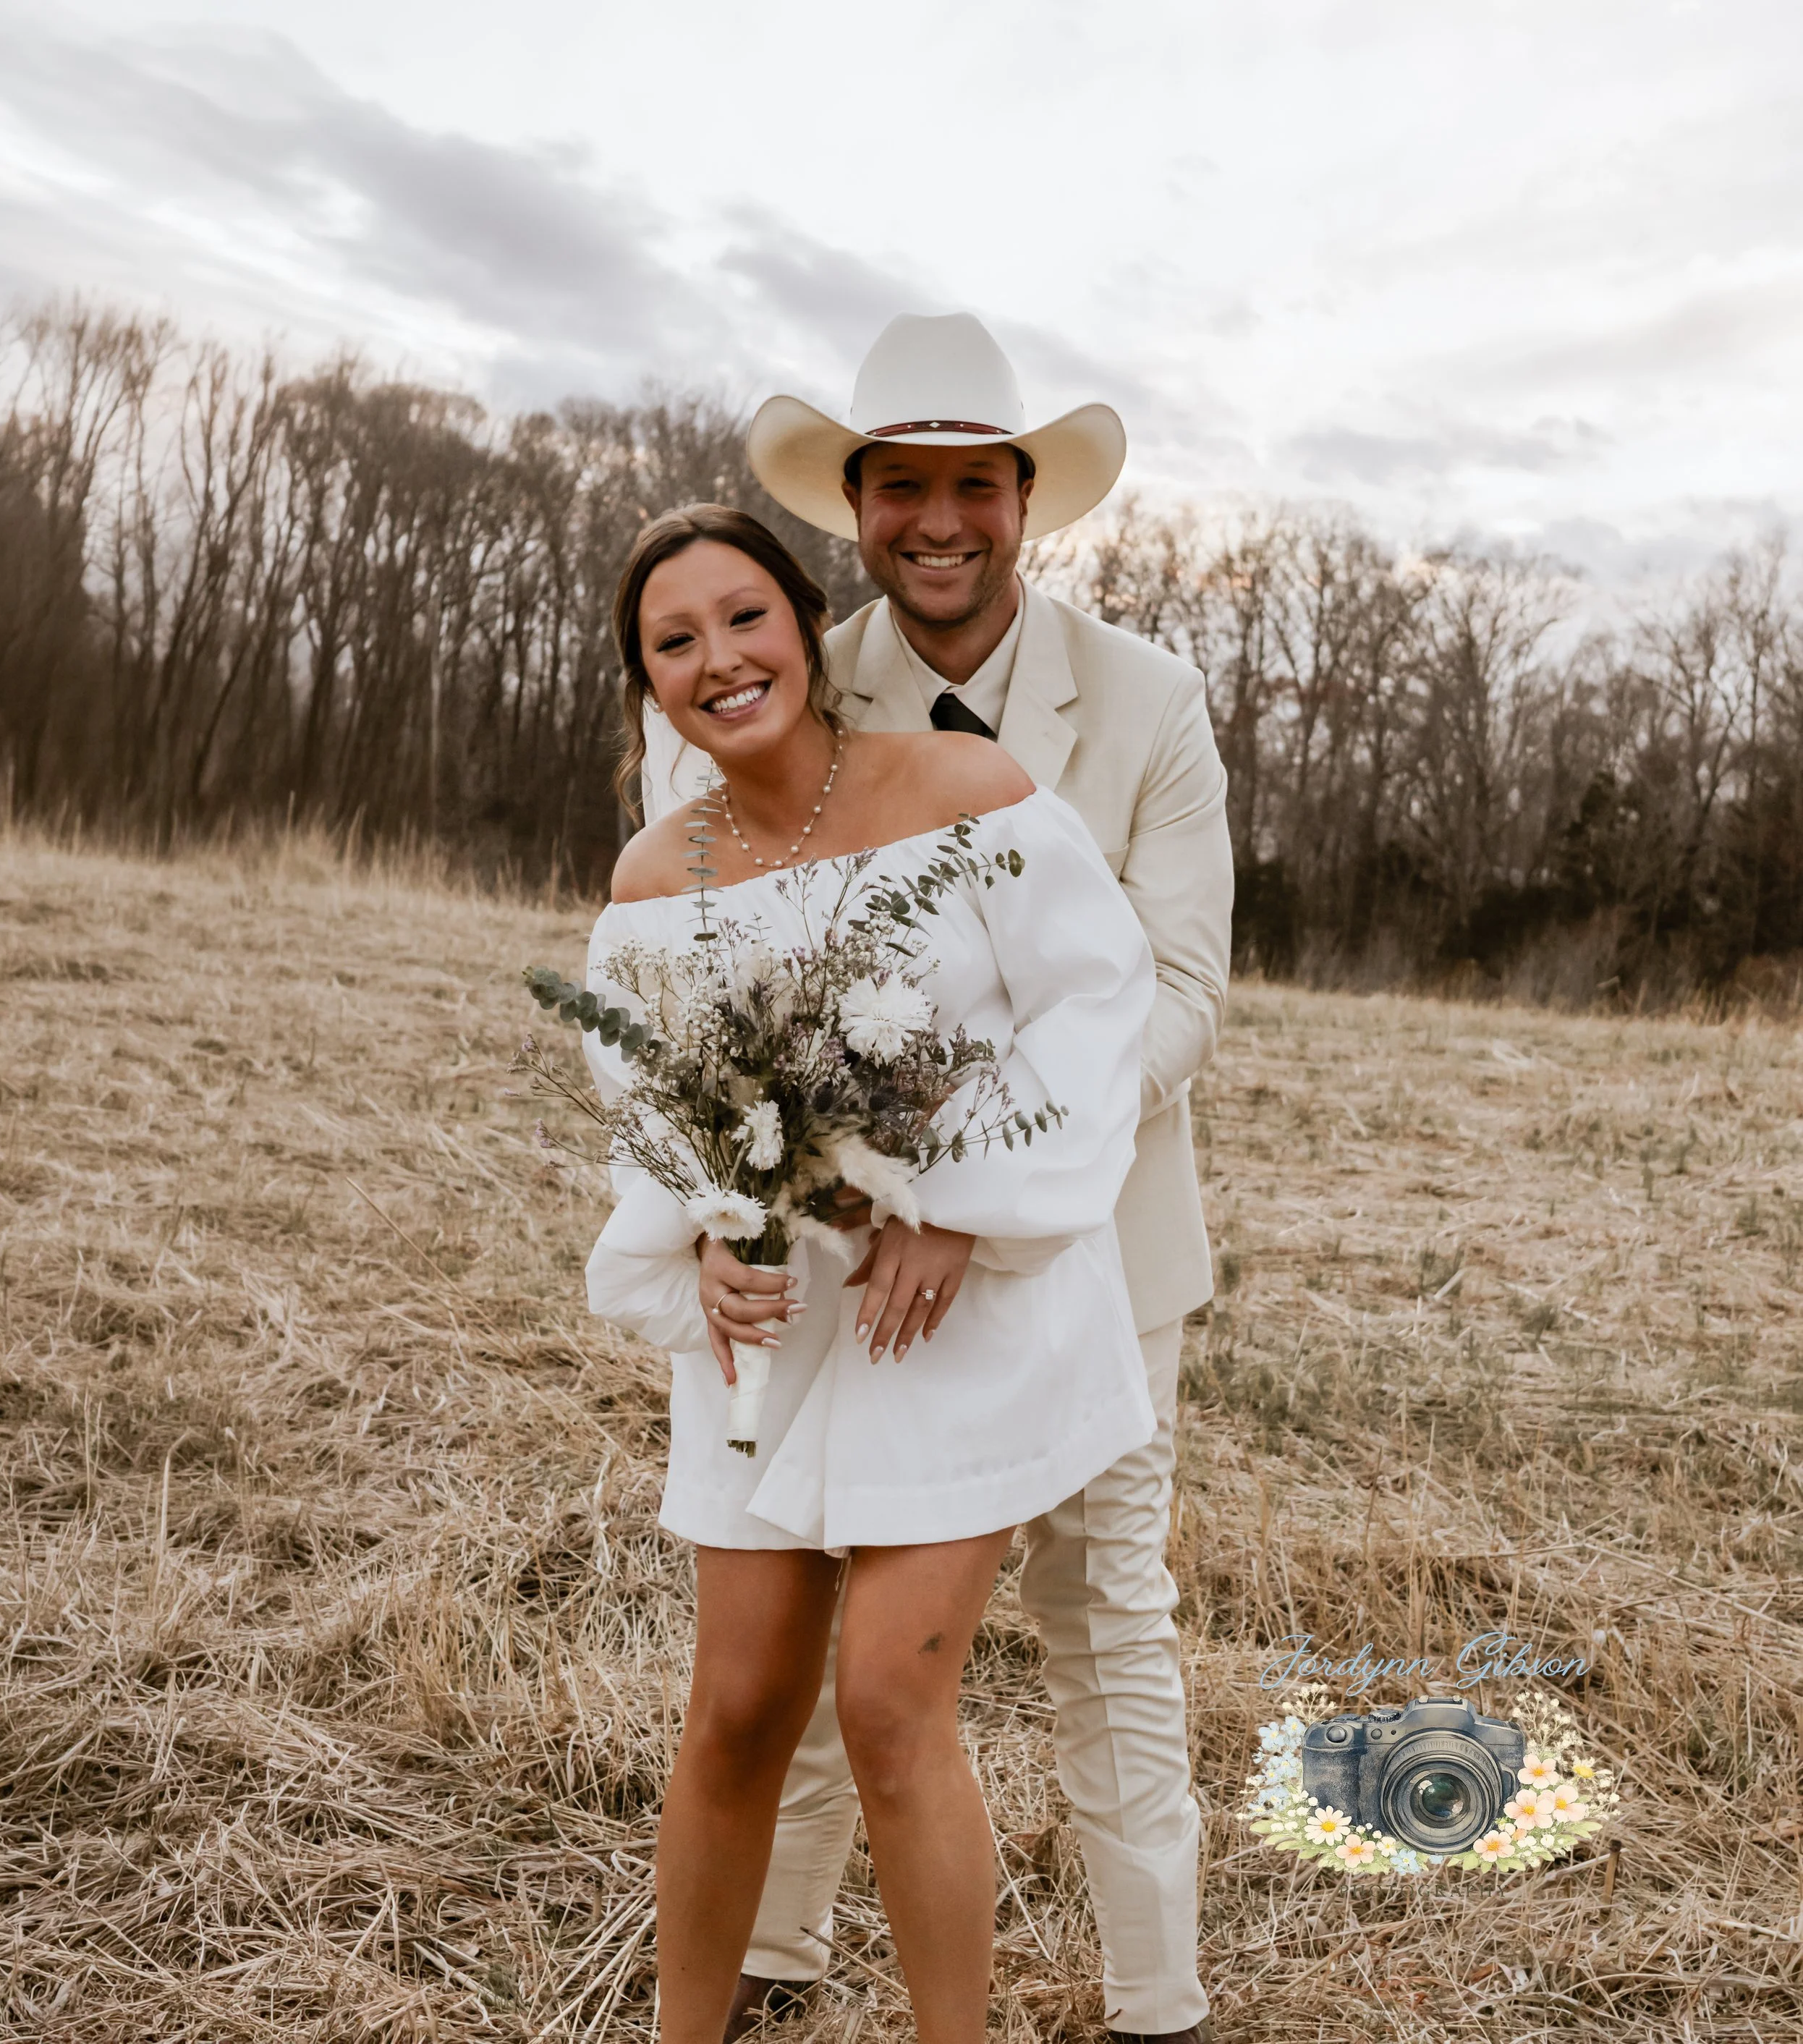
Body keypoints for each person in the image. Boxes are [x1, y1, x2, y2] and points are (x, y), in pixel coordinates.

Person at [641, 315, 1232, 2044]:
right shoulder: (779, 675)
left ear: (1025, 497)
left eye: (973, 483)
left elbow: (1177, 994)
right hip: (845, 1266)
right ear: (855, 505)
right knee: (843, 1617)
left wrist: (973, 1190)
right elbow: (698, 983)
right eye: (899, 486)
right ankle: (775, 1952)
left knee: (1102, 1617)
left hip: (1100, 1247)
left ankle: (1157, 2002)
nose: (938, 520)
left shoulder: (1145, 699)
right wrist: (730, 1201)